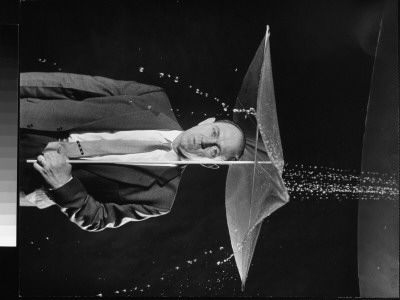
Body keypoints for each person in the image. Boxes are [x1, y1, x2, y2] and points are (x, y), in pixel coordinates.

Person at [19, 72, 245, 232]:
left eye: (215, 151)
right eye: (214, 132)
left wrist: (63, 184)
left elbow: (97, 219)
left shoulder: (158, 201)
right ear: (207, 121)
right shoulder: (151, 97)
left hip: (21, 179)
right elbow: (67, 85)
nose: (206, 142)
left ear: (211, 164)